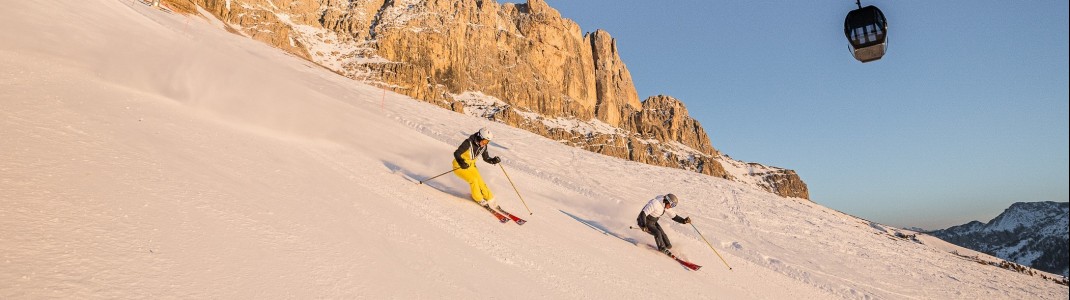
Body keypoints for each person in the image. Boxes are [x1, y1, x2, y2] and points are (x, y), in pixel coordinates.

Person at [452, 127, 502, 207]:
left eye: (487, 142)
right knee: (474, 180)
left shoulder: (483, 146)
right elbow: (456, 153)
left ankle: (489, 198)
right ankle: (478, 198)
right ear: (480, 137)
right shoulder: (468, 143)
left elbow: (486, 158)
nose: (485, 143)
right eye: (485, 141)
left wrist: (493, 160)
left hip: (471, 166)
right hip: (459, 166)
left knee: (480, 181)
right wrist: (461, 162)